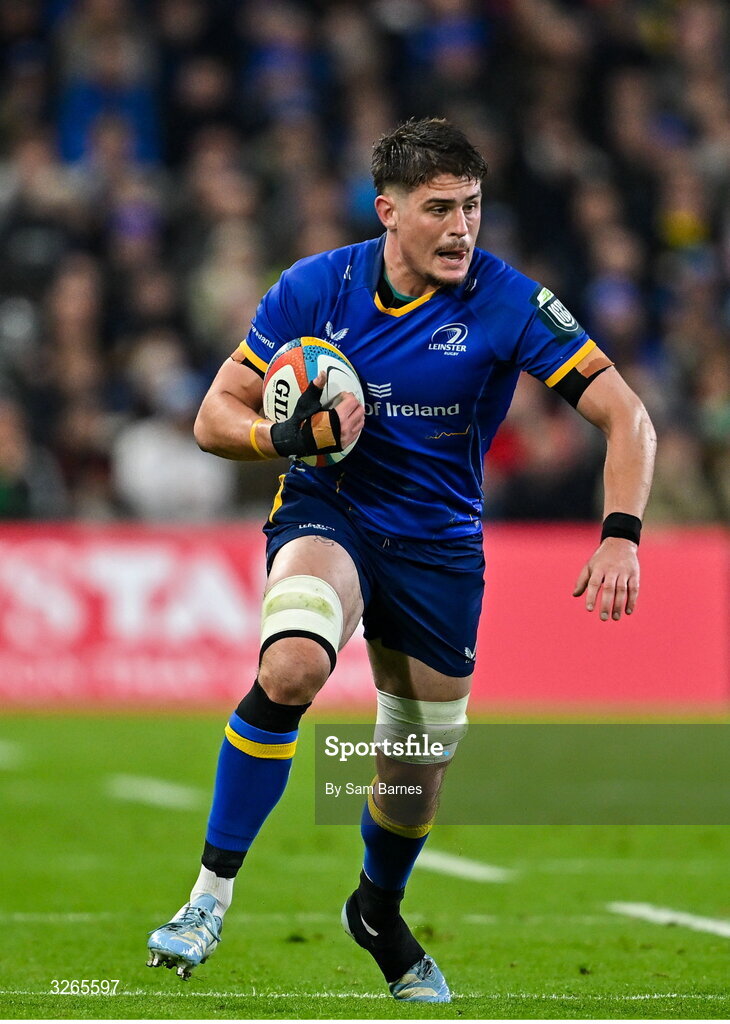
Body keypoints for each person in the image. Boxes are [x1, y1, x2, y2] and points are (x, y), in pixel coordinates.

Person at [146, 118, 656, 1002]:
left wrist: (621, 531)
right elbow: (211, 417)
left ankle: (376, 912)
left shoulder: (507, 302)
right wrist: (282, 434)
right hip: (329, 512)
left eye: (473, 207)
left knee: (411, 777)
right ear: (388, 211)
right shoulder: (317, 287)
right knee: (295, 661)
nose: (462, 228)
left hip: (440, 547)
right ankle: (206, 898)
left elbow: (627, 417)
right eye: (440, 209)